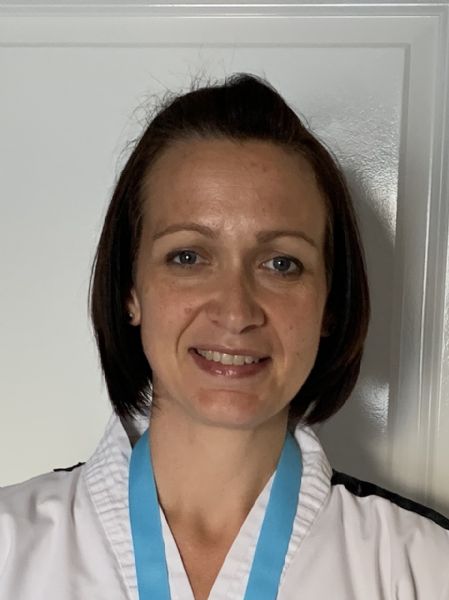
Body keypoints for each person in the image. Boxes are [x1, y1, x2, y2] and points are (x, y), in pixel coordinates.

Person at [1, 73, 448, 600]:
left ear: (330, 303)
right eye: (188, 257)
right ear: (130, 290)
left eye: (281, 264)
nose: (236, 312)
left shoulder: (425, 568)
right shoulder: (10, 548)